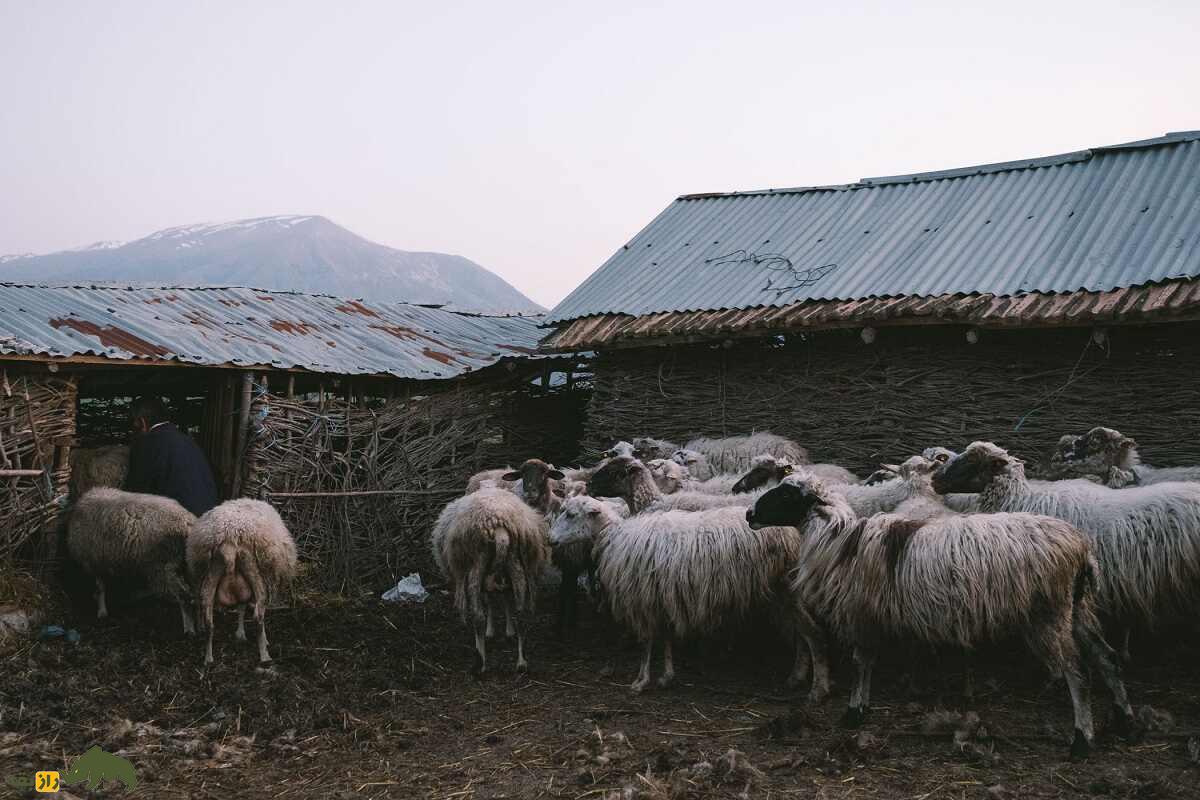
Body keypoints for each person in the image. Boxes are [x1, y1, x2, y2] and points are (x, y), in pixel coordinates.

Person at [124, 396, 219, 517]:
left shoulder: (146, 444)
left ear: (142, 422)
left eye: (134, 422)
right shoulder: (187, 440)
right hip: (208, 517)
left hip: (179, 521)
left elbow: (134, 492)